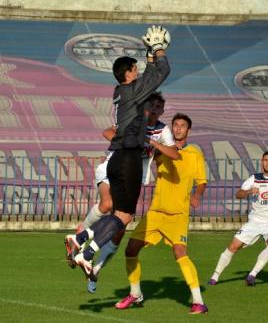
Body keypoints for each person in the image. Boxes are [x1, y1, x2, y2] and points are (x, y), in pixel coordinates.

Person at [64, 25, 171, 277]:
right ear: (129, 74)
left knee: (118, 212)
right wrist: (157, 49)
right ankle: (84, 249)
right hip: (129, 158)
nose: (138, 72)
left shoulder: (121, 91)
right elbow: (164, 70)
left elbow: (149, 76)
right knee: (123, 215)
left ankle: (81, 242)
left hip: (117, 158)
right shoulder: (133, 90)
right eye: (135, 69)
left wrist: (147, 57)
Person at [79, 92, 179, 293]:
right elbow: (107, 133)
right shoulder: (133, 121)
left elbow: (174, 153)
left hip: (135, 177)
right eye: (152, 105)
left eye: (159, 107)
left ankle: (96, 269)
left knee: (121, 227)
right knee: (107, 204)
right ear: (146, 106)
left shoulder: (162, 130)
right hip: (113, 168)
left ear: (162, 110)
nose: (155, 110)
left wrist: (151, 143)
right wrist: (129, 141)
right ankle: (81, 234)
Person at [114, 113, 209, 315]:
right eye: (175, 125)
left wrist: (197, 195)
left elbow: (202, 181)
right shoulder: (162, 151)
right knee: (130, 250)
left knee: (180, 253)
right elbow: (150, 162)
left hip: (177, 214)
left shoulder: (195, 154)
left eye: (182, 126)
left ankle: (198, 301)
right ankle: (135, 293)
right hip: (156, 212)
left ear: (188, 130)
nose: (178, 129)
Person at [208, 151, 268, 286]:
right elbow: (238, 194)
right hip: (254, 222)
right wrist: (248, 191)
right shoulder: (254, 179)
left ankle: (252, 274)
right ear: (262, 162)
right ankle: (215, 276)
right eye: (265, 160)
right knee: (233, 246)